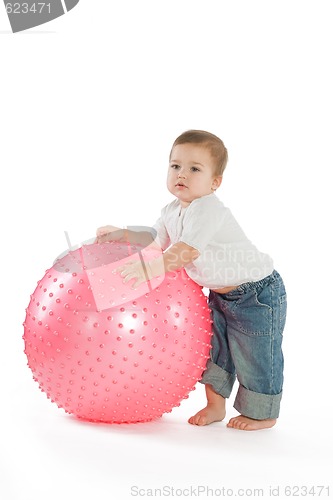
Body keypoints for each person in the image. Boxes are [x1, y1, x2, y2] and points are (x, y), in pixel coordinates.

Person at [96, 130, 287, 431]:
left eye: (194, 169)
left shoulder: (208, 208)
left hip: (257, 293)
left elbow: (185, 251)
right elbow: (155, 241)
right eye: (175, 166)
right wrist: (121, 234)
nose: (182, 174)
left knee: (255, 354)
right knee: (215, 352)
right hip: (221, 295)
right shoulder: (172, 210)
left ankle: (262, 412)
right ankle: (215, 406)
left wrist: (150, 270)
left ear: (215, 182)